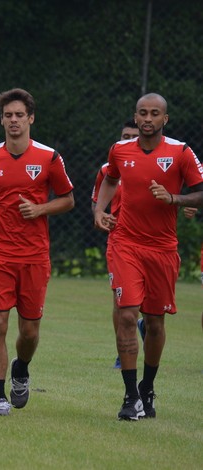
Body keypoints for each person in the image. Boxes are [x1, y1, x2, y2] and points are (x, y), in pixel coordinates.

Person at [94, 93, 203, 420]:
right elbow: (109, 179)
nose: (147, 119)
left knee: (155, 322)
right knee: (127, 315)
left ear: (164, 119)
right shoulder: (120, 150)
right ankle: (130, 397)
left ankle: (148, 386)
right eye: (142, 113)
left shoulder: (180, 152)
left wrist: (174, 198)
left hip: (162, 249)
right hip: (125, 243)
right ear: (136, 116)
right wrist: (99, 210)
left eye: (154, 114)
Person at [0, 88, 74, 416]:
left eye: (19, 115)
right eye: (8, 115)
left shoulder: (48, 157)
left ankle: (21, 368)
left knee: (29, 332)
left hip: (34, 257)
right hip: (0, 255)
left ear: (31, 118)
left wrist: (40, 209)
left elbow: (68, 199)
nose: (13, 120)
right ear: (1, 120)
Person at [91, 121, 141, 370]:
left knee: (150, 306)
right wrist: (100, 216)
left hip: (152, 243)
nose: (127, 140)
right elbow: (96, 202)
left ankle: (143, 326)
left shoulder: (151, 164)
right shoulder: (107, 170)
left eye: (133, 136)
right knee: (119, 301)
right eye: (124, 136)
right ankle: (122, 351)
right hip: (119, 242)